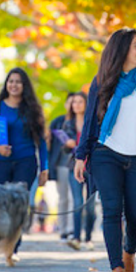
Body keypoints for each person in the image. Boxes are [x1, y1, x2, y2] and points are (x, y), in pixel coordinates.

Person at [73, 28, 136, 272]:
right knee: (112, 210)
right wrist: (81, 156)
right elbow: (91, 120)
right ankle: (116, 269)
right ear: (122, 49)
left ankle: (129, 253)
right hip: (106, 155)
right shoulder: (102, 81)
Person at [0, 67, 49, 259]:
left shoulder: (33, 109)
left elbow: (41, 142)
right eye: (11, 81)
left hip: (26, 162)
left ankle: (13, 248)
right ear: (6, 84)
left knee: (18, 205)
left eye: (18, 81)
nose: (14, 85)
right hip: (1, 162)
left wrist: (45, 168)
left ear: (24, 85)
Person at [63, 92, 97, 250]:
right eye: (74, 102)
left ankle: (88, 237)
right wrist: (68, 144)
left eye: (80, 102)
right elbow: (63, 149)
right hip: (73, 167)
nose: (76, 104)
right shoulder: (68, 124)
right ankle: (76, 237)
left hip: (91, 167)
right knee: (77, 202)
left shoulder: (93, 122)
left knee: (90, 205)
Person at [49, 93, 76, 243]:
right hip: (60, 164)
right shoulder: (57, 122)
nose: (73, 105)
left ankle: (72, 230)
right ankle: (63, 229)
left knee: (74, 198)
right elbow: (48, 143)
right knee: (63, 198)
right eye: (70, 102)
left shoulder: (81, 121)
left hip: (75, 164)